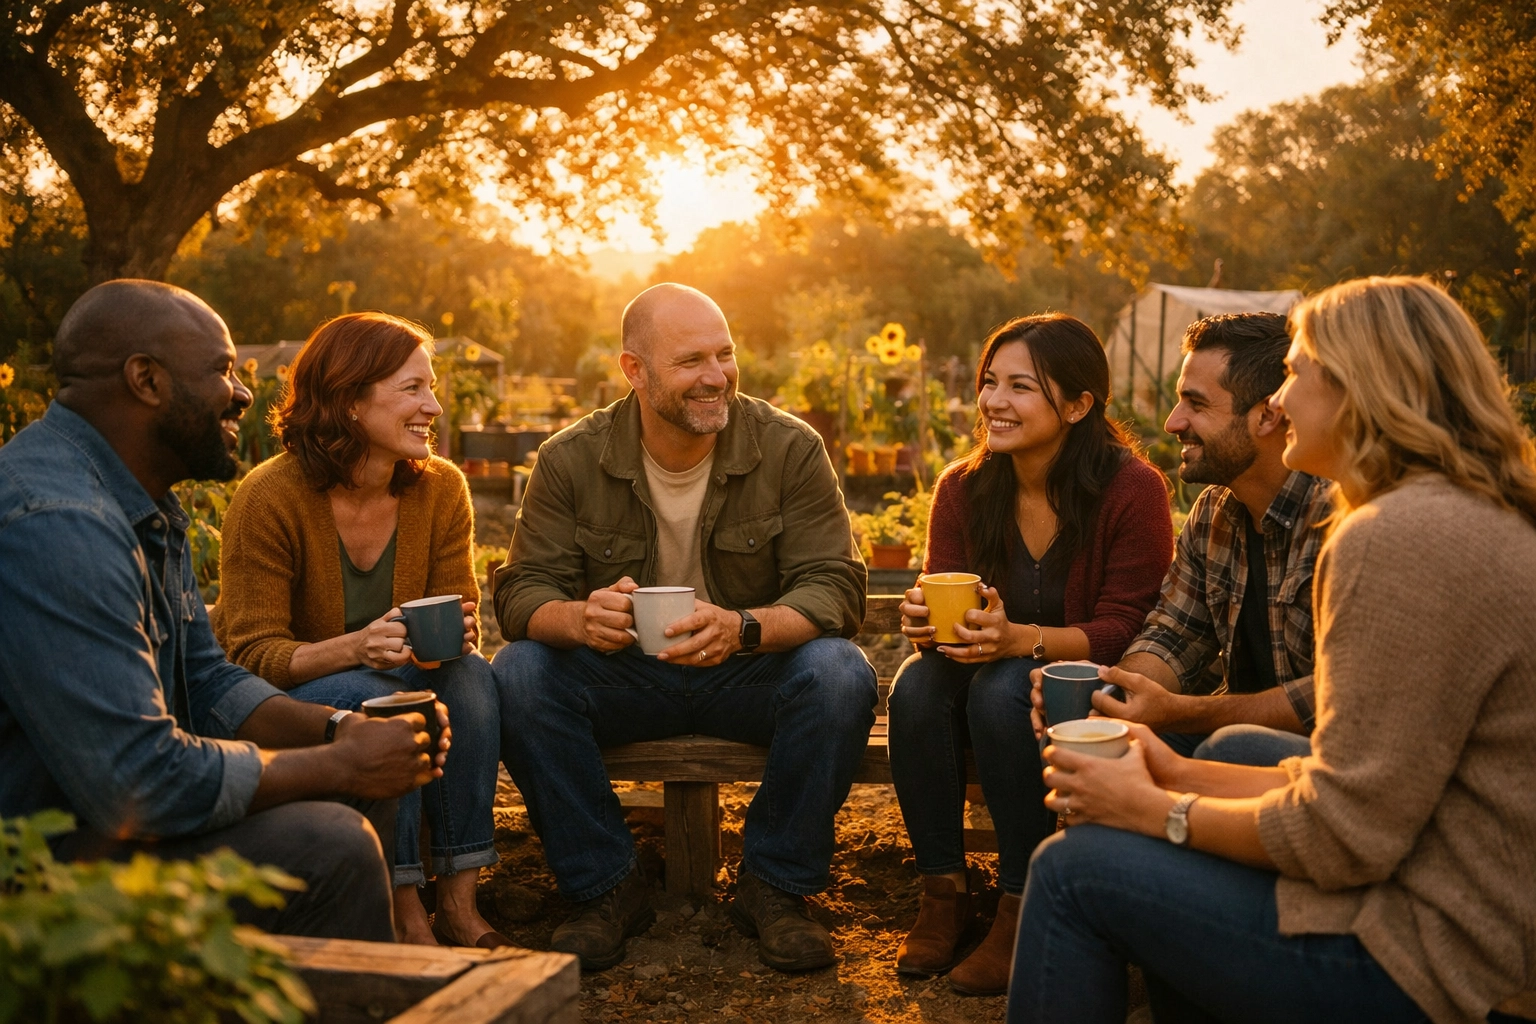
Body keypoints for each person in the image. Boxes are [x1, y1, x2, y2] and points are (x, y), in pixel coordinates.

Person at [1009, 276, 1536, 1024]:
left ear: (1359, 391)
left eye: (1298, 372)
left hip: (1446, 955)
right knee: (1239, 748)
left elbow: (1346, 837)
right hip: (1469, 887)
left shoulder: (1396, 536)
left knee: (1071, 873)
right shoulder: (1462, 509)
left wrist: (1160, 810)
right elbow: (1375, 786)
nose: (1280, 400)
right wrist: (1175, 764)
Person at [0, 280, 448, 941]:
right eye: (222, 370)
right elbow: (138, 782)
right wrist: (336, 763)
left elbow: (208, 682)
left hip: (103, 820)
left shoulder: (140, 501)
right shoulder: (60, 524)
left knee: (359, 780)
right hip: (44, 862)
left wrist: (339, 732)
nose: (243, 392)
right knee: (331, 843)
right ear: (146, 381)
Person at [492, 283, 876, 972]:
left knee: (841, 675)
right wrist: (579, 618)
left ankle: (777, 888)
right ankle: (607, 886)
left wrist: (744, 627)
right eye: (692, 359)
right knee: (518, 674)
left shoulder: (789, 448)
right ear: (634, 371)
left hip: (745, 671)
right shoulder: (569, 458)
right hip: (624, 675)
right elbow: (523, 591)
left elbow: (836, 587)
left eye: (725, 355)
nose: (716, 376)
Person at [887, 314, 1173, 993]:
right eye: (990, 383)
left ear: (1078, 405)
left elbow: (1124, 627)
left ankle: (1022, 902)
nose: (993, 401)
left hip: (1077, 691)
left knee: (1006, 687)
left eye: (1021, 386)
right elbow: (944, 591)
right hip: (980, 678)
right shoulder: (964, 488)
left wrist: (1022, 642)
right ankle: (943, 894)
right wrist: (925, 621)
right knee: (914, 688)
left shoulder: (1132, 490)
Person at [215, 312, 504, 948]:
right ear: (349, 401)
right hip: (301, 706)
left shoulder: (440, 490)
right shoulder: (269, 498)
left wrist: (449, 638)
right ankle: (403, 908)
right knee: (381, 704)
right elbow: (248, 656)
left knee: (472, 679)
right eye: (412, 389)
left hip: (408, 679)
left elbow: (464, 620)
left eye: (431, 388)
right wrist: (355, 647)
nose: (433, 405)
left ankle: (459, 900)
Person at [1031, 312, 1331, 765]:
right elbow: (1175, 634)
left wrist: (1184, 712)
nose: (1173, 422)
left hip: (1329, 755)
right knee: (1114, 743)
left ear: (1267, 415)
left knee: (1233, 746)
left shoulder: (1339, 518)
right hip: (1228, 735)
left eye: (1196, 403)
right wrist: (1114, 693)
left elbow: (1335, 695)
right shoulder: (1214, 513)